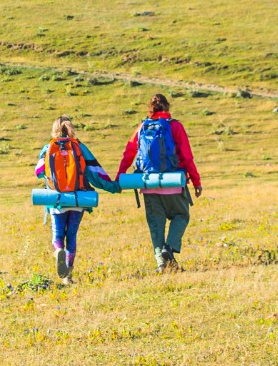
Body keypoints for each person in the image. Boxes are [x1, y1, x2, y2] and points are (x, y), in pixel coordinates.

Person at [117, 93, 203, 272]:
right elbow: (187, 157)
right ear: (167, 107)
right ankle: (169, 248)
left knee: (156, 226)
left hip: (148, 185)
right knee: (181, 216)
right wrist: (196, 181)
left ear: (150, 109)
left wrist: (120, 176)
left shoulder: (142, 127)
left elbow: (129, 152)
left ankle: (162, 265)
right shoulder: (175, 126)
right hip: (173, 183)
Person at [33, 115, 116, 285]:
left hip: (57, 200)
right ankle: (68, 276)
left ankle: (58, 251)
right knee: (71, 236)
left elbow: (38, 172)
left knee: (58, 235)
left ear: (54, 129)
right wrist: (113, 186)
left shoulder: (48, 148)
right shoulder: (79, 147)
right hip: (78, 199)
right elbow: (95, 172)